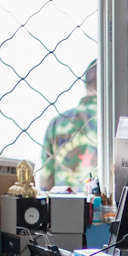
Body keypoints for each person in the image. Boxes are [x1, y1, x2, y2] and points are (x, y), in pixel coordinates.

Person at [40, 60, 98, 192]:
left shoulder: (56, 124)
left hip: (63, 203)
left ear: (87, 84)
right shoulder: (119, 122)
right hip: (103, 203)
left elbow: (46, 182)